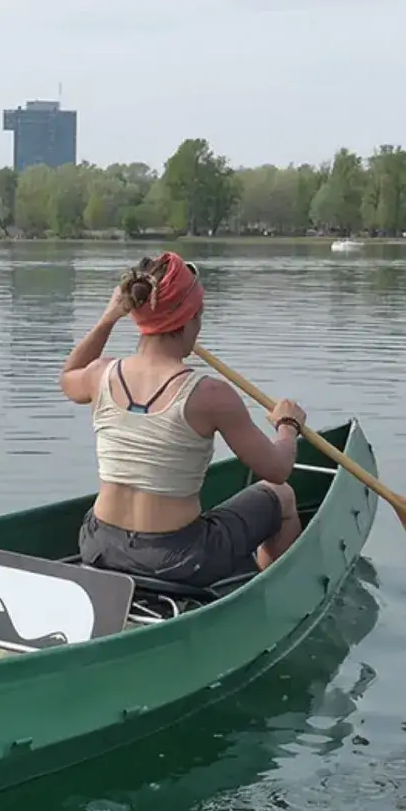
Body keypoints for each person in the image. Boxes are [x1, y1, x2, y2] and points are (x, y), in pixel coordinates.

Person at [59, 251, 307, 589]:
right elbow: (276, 469)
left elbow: (68, 375)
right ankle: (266, 597)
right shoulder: (209, 394)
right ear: (190, 319)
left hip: (98, 545)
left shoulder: (99, 374)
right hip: (177, 560)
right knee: (282, 496)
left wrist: (108, 318)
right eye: (199, 316)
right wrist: (287, 427)